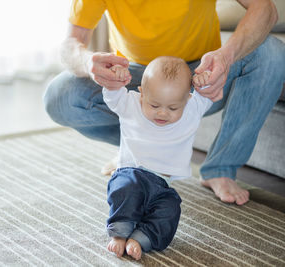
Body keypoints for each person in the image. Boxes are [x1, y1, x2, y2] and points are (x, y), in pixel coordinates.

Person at [43, 0, 285, 206]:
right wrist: (87, 62)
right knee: (60, 95)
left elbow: (265, 8)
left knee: (271, 52)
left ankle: (220, 169)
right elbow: (70, 44)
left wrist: (225, 56)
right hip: (136, 76)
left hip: (201, 72)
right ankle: (137, 154)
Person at [104, 56, 212, 260]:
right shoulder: (131, 105)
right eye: (154, 105)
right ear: (141, 93)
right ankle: (120, 233)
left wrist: (204, 82)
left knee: (171, 208)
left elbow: (207, 95)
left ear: (187, 99)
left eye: (173, 108)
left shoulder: (191, 110)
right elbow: (113, 96)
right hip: (131, 173)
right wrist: (115, 80)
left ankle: (142, 237)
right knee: (127, 189)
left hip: (162, 185)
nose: (162, 113)